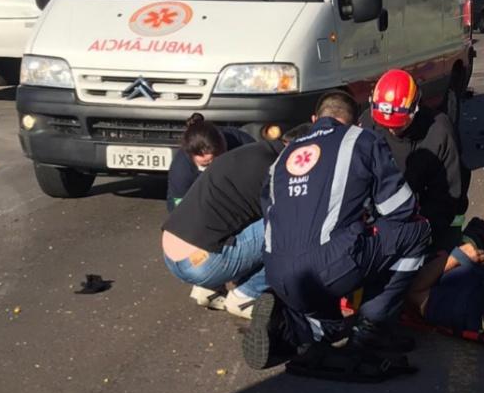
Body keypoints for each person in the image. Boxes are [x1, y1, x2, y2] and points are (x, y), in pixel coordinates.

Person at [243, 91, 431, 372]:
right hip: (331, 264)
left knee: (329, 323)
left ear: (314, 119)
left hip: (277, 270)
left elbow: (272, 216)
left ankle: (293, 327)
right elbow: (400, 208)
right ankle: (372, 324)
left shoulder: (282, 158)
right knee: (416, 230)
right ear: (354, 123)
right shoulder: (361, 140)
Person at [161, 123, 311, 318]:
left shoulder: (248, 152)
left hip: (171, 253)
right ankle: (246, 295)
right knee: (294, 228)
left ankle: (209, 288)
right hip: (200, 263)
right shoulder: (279, 169)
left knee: (242, 216)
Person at [361, 69, 468, 252]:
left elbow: (447, 196)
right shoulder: (368, 124)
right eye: (386, 126)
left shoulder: (439, 132)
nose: (392, 131)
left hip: (433, 212)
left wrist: (418, 232)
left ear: (415, 108)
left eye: (399, 125)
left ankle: (475, 239)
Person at [166, 113, 255, 211]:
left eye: (217, 160)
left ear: (224, 145)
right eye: (206, 165)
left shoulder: (245, 146)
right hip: (201, 202)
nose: (212, 167)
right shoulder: (181, 170)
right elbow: (180, 210)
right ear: (191, 156)